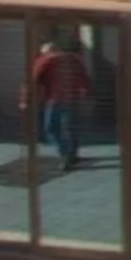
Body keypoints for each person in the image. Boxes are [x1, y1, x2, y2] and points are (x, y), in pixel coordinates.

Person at [28, 36, 93, 174]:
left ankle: (65, 155)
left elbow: (33, 79)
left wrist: (26, 99)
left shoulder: (47, 59)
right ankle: (72, 154)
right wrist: (86, 94)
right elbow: (84, 78)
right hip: (73, 98)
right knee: (71, 128)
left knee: (52, 128)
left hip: (55, 99)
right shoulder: (75, 60)